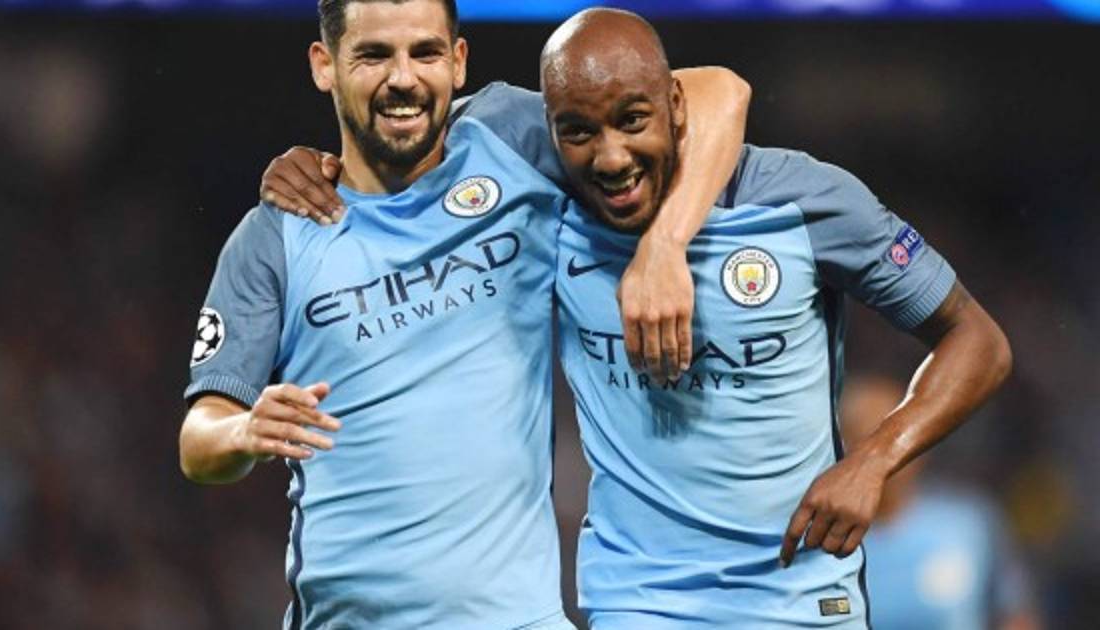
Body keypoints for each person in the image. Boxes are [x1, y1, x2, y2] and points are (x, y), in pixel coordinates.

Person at [262, 7, 1012, 629]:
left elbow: (978, 341)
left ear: (676, 106)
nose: (612, 157)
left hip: (801, 599)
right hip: (638, 601)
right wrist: (314, 164)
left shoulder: (805, 202)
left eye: (633, 121)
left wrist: (876, 458)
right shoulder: (542, 192)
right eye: (579, 132)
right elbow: (396, 138)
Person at [178, 1, 749, 628]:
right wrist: (242, 431)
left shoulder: (508, 138)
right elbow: (198, 441)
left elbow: (719, 92)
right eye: (374, 55)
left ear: (457, 61)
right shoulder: (276, 235)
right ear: (324, 65)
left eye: (424, 52)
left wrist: (665, 245)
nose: (403, 78)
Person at [840, 376, 1042, 630]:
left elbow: (1014, 613)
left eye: (897, 440)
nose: (886, 458)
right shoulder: (817, 546)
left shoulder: (968, 524)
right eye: (866, 443)